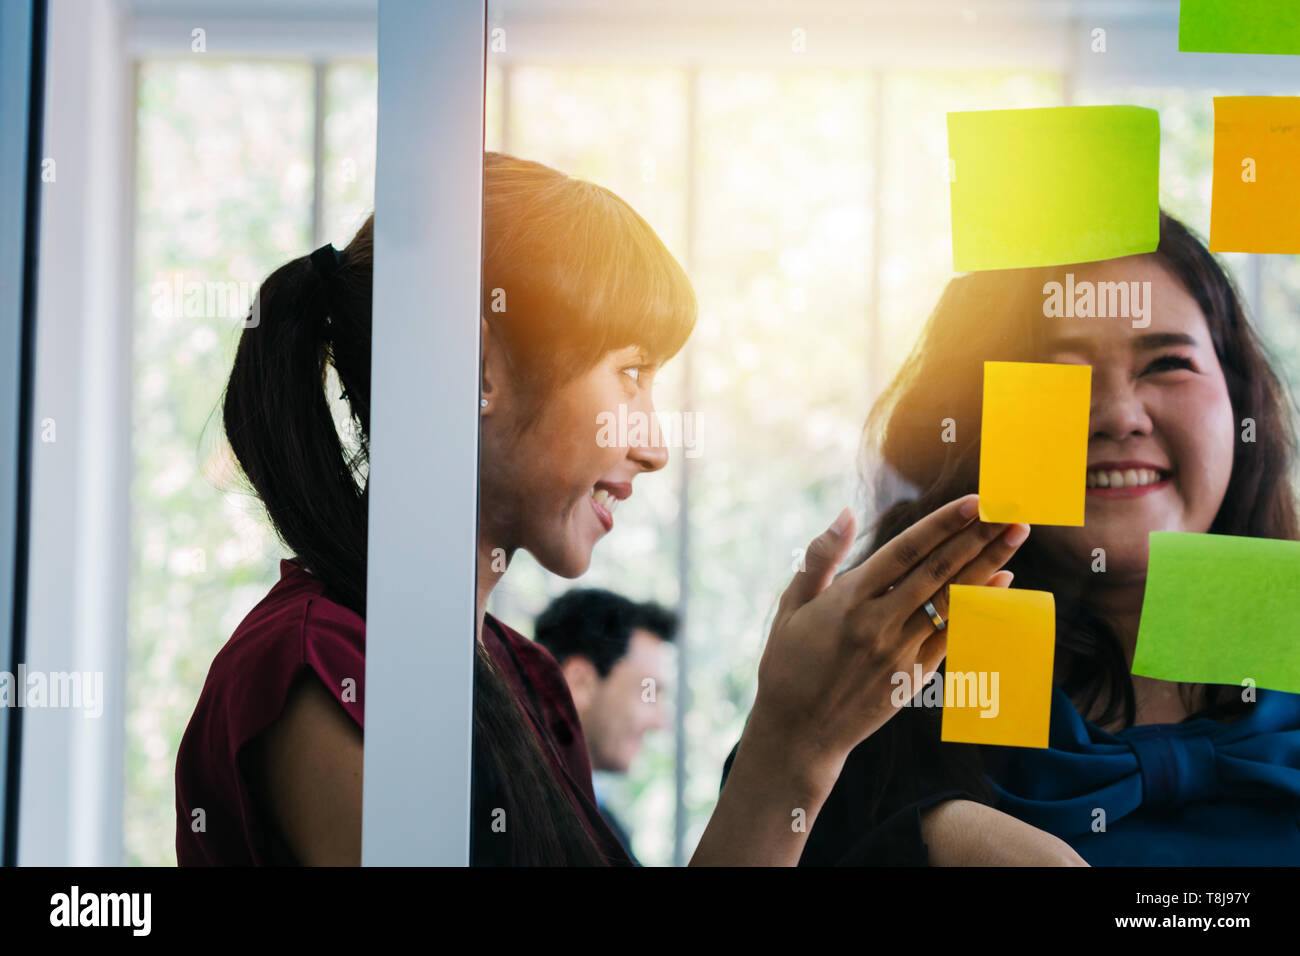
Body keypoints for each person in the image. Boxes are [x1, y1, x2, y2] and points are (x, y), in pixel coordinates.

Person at [175, 151, 1027, 867]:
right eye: (631, 373)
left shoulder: (528, 682)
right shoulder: (318, 667)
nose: (655, 444)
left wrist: (804, 740)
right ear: (474, 365)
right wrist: (791, 748)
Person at [748, 211, 1300, 865]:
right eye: (1057, 373)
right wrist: (910, 846)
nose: (1120, 416)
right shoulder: (864, 691)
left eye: (1168, 364)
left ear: (1240, 404)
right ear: (979, 421)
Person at [534, 588, 678, 860]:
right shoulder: (523, 819)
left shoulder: (598, 821)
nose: (661, 723)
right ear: (579, 683)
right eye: (648, 693)